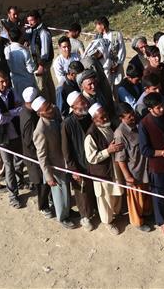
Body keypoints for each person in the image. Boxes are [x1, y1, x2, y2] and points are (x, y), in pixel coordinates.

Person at [32, 95, 76, 228]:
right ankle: (63, 217)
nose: (51, 108)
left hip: (64, 162)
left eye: (50, 105)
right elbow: (42, 156)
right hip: (55, 166)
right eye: (47, 109)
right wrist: (48, 176)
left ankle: (68, 210)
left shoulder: (54, 113)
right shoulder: (40, 130)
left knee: (66, 190)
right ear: (40, 113)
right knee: (59, 194)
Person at [138, 93, 164, 237]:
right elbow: (144, 149)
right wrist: (163, 152)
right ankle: (163, 222)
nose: (162, 109)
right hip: (157, 165)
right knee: (159, 195)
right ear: (150, 109)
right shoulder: (144, 124)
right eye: (158, 107)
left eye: (162, 106)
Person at [0, 70, 26, 209]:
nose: (5, 84)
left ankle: (21, 181)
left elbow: (22, 107)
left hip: (16, 133)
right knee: (9, 167)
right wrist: (13, 112)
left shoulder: (12, 92)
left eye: (6, 81)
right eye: (2, 81)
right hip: (2, 137)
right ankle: (13, 195)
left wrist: (10, 112)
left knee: (19, 160)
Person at [84, 103, 125, 234]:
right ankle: (108, 222)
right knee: (105, 199)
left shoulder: (109, 126)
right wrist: (108, 151)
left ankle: (117, 213)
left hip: (114, 168)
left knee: (117, 192)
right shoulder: (91, 136)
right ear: (94, 119)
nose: (106, 118)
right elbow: (91, 158)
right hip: (102, 173)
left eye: (106, 115)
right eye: (102, 117)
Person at [61, 91, 98, 230]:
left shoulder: (88, 116)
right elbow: (66, 150)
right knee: (82, 193)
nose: (86, 103)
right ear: (73, 106)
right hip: (79, 164)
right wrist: (73, 169)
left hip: (92, 161)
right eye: (82, 102)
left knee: (93, 189)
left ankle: (94, 210)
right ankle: (85, 217)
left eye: (84, 100)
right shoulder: (67, 124)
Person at [114, 104, 154, 232]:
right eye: (129, 116)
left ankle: (147, 214)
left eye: (132, 113)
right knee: (135, 199)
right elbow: (121, 158)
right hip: (134, 170)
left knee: (145, 195)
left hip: (145, 167)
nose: (133, 117)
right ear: (122, 118)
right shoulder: (120, 134)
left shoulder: (138, 124)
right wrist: (127, 176)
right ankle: (137, 222)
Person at [20, 87, 53, 219]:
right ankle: (43, 206)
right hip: (34, 156)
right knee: (41, 184)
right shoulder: (29, 117)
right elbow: (29, 140)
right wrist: (41, 152)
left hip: (36, 154)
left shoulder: (26, 111)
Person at [25, 10, 55, 101]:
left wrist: (41, 66)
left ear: (38, 19)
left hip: (43, 63)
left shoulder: (43, 32)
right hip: (39, 62)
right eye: (28, 21)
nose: (30, 23)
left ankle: (47, 106)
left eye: (32, 20)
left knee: (41, 87)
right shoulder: (35, 29)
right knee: (48, 84)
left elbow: (45, 52)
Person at [4, 25, 37, 103]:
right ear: (21, 36)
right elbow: (31, 69)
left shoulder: (7, 49)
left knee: (20, 102)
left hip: (15, 81)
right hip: (26, 80)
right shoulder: (24, 51)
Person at [95, 16, 126, 86]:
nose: (96, 28)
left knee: (117, 89)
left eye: (97, 25)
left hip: (116, 67)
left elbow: (122, 51)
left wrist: (117, 64)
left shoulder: (116, 35)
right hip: (104, 68)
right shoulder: (98, 37)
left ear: (102, 26)